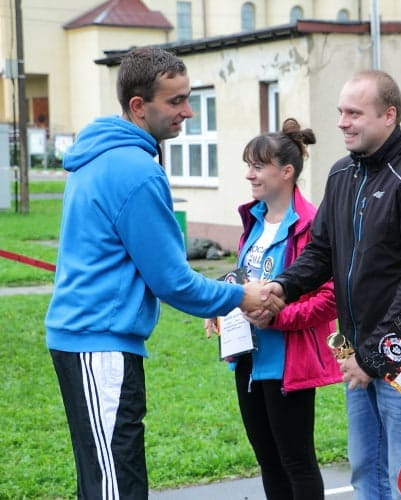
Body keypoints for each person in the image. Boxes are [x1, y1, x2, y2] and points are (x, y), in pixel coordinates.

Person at [45, 47, 282, 499]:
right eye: (175, 102)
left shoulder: (97, 155)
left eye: (187, 99)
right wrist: (242, 296)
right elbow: (172, 281)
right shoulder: (135, 170)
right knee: (117, 485)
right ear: (139, 106)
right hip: (99, 342)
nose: (188, 112)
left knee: (103, 478)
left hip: (89, 341)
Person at [264, 70, 401, 498]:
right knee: (367, 474)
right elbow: (321, 252)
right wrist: (283, 288)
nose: (342, 122)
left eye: (354, 113)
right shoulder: (340, 174)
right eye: (340, 112)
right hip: (357, 357)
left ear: (389, 115)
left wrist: (371, 359)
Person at [205, 118, 341, 500]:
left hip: (289, 361)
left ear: (287, 171)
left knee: (295, 459)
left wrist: (277, 317)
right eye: (248, 165)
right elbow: (244, 282)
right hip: (248, 358)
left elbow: (330, 297)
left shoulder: (314, 223)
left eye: (258, 166)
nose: (249, 175)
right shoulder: (254, 220)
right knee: (267, 458)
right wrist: (222, 310)